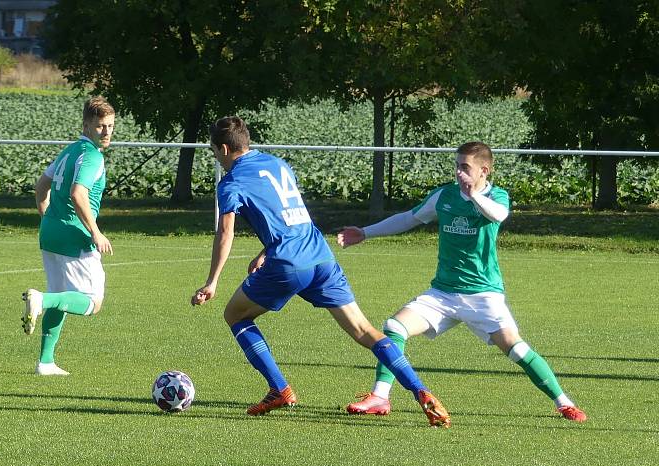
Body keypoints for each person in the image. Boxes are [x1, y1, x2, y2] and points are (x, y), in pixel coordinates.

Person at [191, 116, 450, 426]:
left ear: (223, 148)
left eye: (213, 151)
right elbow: (292, 215)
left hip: (288, 263)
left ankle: (279, 389)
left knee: (235, 315)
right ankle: (421, 391)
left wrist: (212, 282)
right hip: (320, 257)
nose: (215, 157)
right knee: (365, 331)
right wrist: (265, 250)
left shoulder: (231, 182)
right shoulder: (277, 164)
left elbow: (225, 232)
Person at [338, 141, 587, 422]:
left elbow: (499, 215)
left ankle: (564, 402)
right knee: (394, 327)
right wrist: (365, 233)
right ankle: (380, 397)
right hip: (442, 294)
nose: (459, 172)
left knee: (516, 348)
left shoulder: (497, 196)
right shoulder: (444, 195)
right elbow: (409, 218)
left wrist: (474, 197)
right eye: (457, 166)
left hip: (484, 296)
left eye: (465, 167)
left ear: (484, 170)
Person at [21, 96, 115, 376]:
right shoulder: (93, 157)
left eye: (110, 126)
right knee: (93, 303)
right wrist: (95, 232)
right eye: (100, 126)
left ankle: (45, 362)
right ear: (86, 125)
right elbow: (78, 193)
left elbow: (41, 185)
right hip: (75, 236)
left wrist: (47, 216)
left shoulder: (69, 151)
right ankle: (40, 300)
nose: (107, 132)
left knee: (61, 296)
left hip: (50, 232)